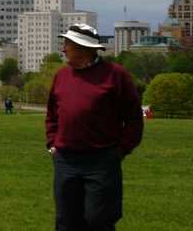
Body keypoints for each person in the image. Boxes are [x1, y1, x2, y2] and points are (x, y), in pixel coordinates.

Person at [46, 24, 144, 231]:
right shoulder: (61, 76)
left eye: (67, 44)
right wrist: (52, 143)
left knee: (98, 219)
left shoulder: (116, 76)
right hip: (65, 160)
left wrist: (121, 150)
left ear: (83, 47)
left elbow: (134, 119)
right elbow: (52, 114)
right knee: (66, 221)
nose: (63, 49)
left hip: (102, 161)